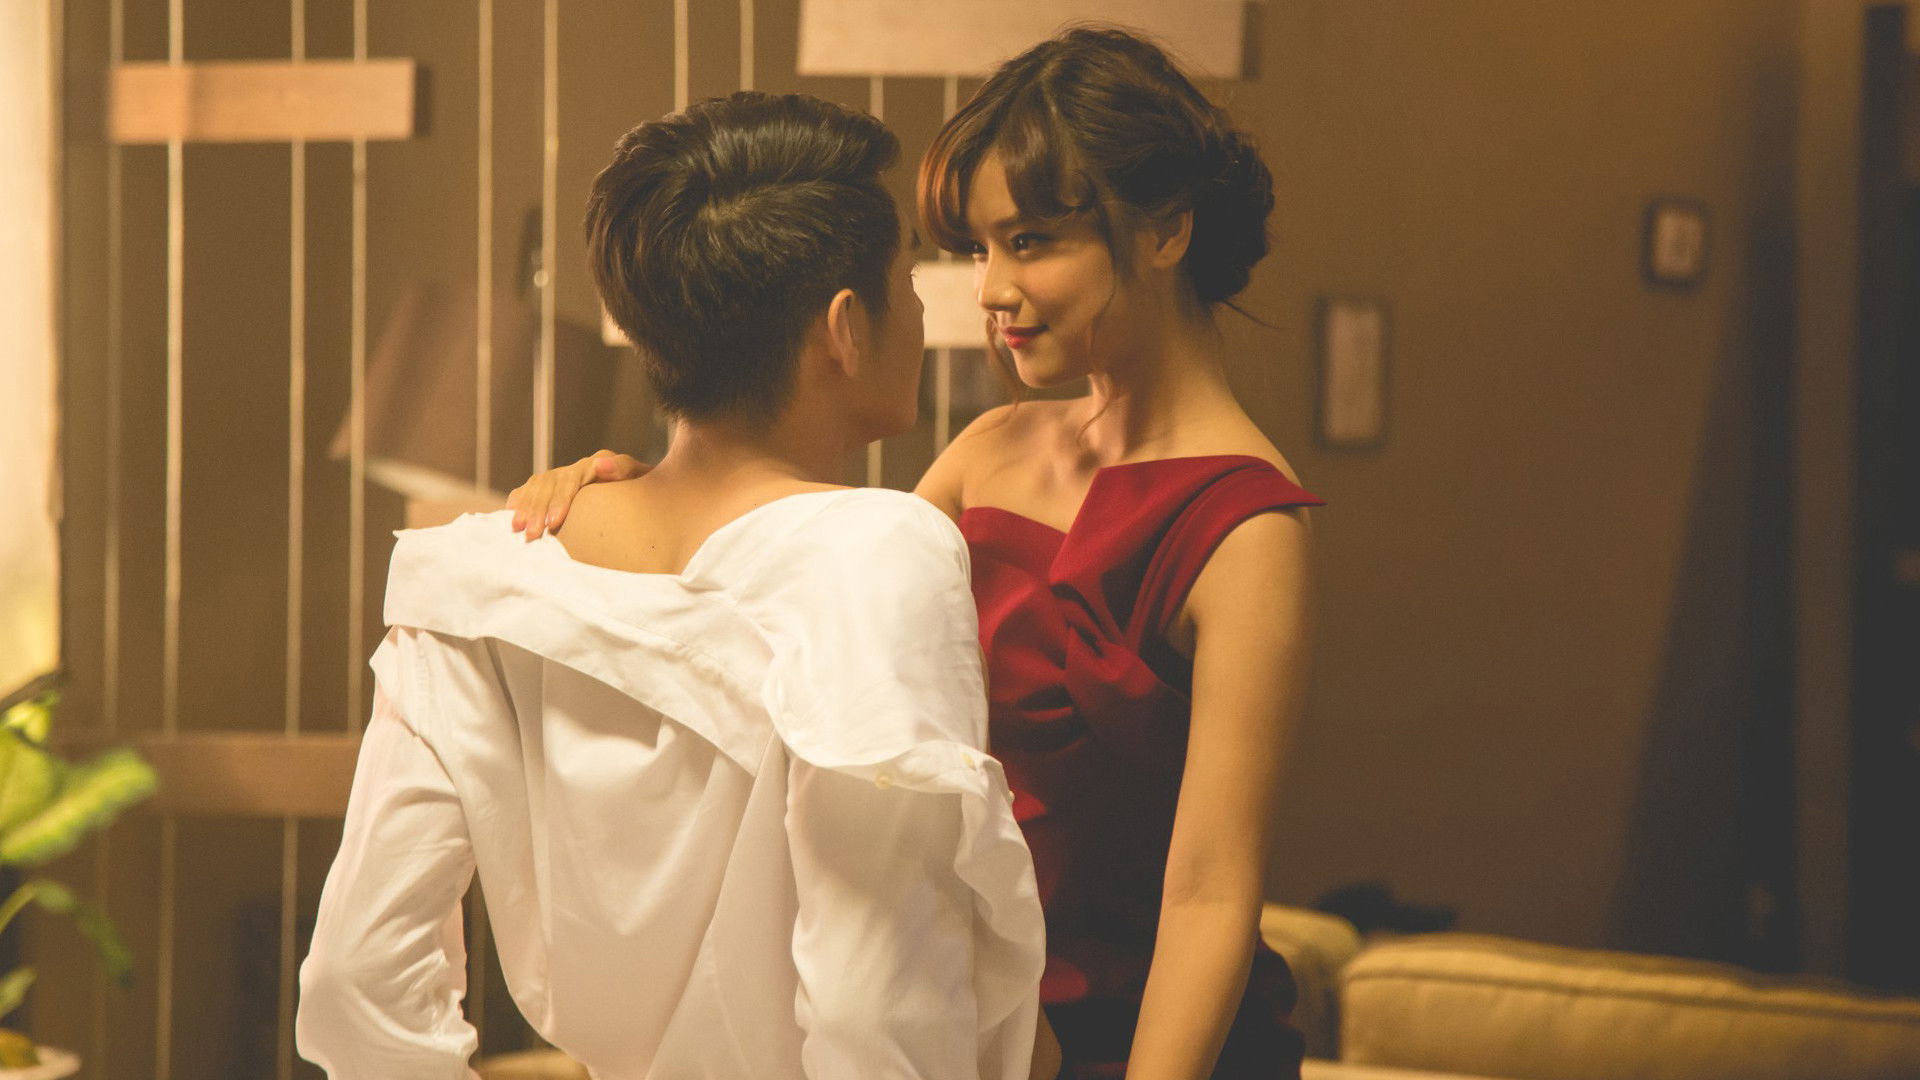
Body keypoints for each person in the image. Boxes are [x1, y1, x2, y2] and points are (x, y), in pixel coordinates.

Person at [514, 27, 1319, 1080]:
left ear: (1166, 229)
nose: (989, 289)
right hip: (965, 1028)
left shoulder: (1246, 527)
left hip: (1147, 1047)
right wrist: (634, 499)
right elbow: (800, 638)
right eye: (977, 250)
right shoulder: (989, 451)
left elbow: (1210, 894)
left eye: (1030, 241)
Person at [296, 91, 1048, 1079]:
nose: (919, 307)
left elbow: (353, 983)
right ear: (844, 327)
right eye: (906, 279)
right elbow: (876, 1013)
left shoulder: (476, 573)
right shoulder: (877, 555)